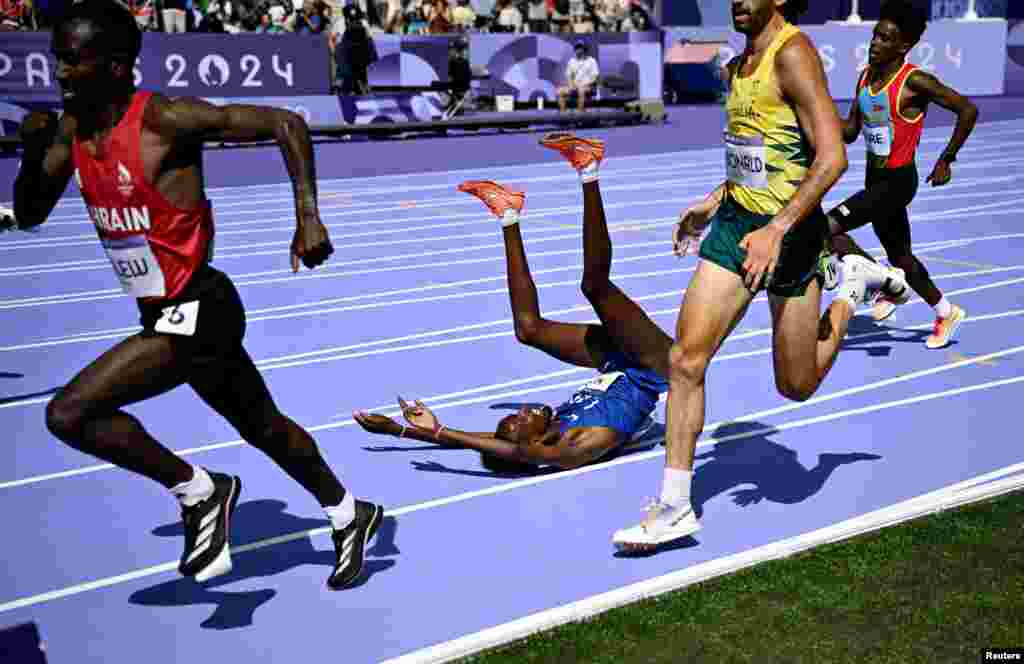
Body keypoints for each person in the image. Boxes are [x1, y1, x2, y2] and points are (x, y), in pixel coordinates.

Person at [11, 0, 381, 589]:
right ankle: (348, 513)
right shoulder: (72, 133)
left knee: (70, 412)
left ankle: (200, 491)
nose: (58, 72)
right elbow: (30, 212)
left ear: (112, 65)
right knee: (264, 427)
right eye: (56, 59)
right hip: (163, 312)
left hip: (201, 307)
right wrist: (33, 151)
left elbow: (287, 122)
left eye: (71, 61)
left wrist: (307, 217)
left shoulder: (164, 119)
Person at [612, 0, 910, 552]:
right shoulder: (738, 62)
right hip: (734, 226)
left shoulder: (792, 55)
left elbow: (831, 159)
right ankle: (675, 506)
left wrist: (777, 229)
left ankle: (846, 289)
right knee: (685, 359)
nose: (737, 3)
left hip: (790, 236)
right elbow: (755, 154)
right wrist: (714, 200)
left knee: (794, 386)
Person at [353, 133, 670, 472]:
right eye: (519, 421)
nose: (523, 411)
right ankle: (588, 167)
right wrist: (442, 430)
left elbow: (494, 442)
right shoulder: (579, 441)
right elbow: (521, 454)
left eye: (514, 416)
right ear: (532, 443)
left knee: (528, 330)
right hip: (652, 362)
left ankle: (507, 213)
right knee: (594, 285)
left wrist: (401, 430)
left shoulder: (546, 427)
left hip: (613, 359)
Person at [820, 0, 977, 348]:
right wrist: (817, 116)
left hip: (898, 182)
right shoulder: (866, 77)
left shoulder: (915, 81)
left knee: (825, 228)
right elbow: (850, 132)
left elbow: (968, 109)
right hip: (874, 180)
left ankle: (885, 283)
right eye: (875, 35)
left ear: (903, 45)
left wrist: (946, 159)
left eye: (885, 39)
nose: (875, 43)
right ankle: (946, 310)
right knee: (900, 256)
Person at [558, 41, 600, 113]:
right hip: (575, 86)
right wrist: (571, 85)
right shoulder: (571, 61)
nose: (578, 50)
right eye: (577, 48)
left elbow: (595, 77)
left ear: (584, 49)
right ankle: (563, 114)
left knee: (581, 90)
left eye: (580, 48)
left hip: (589, 87)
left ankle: (579, 114)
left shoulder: (591, 61)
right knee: (560, 91)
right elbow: (568, 76)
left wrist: (584, 85)